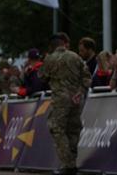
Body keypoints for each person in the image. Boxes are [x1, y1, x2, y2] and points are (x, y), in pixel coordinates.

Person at [39, 33, 91, 175]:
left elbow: (42, 77)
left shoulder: (50, 59)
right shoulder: (76, 56)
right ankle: (72, 163)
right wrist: (80, 91)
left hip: (60, 99)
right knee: (73, 129)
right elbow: (87, 77)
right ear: (63, 44)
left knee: (57, 128)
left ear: (52, 46)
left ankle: (67, 164)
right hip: (76, 98)